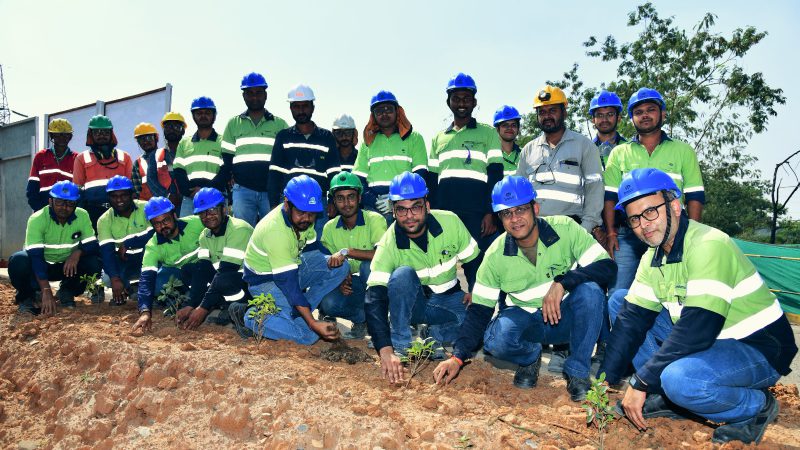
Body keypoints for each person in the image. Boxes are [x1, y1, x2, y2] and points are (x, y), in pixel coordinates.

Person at [600, 168, 797, 445]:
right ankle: (666, 397)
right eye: (634, 218)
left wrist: (640, 381)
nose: (643, 224)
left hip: (757, 347)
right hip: (713, 340)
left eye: (650, 212)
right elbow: (631, 322)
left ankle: (756, 405)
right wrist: (603, 383)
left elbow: (698, 327)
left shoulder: (709, 244)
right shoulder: (652, 258)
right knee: (621, 302)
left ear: (676, 206)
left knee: (680, 380)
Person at [433, 176, 614, 400]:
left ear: (535, 208)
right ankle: (530, 357)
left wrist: (563, 282)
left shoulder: (565, 229)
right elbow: (479, 311)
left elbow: (607, 267)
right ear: (500, 219)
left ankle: (577, 372)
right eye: (507, 213)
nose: (515, 219)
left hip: (564, 318)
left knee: (591, 293)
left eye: (521, 210)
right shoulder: (494, 255)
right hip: (526, 321)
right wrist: (458, 357)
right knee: (495, 341)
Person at [517, 85, 605, 373]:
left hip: (572, 230)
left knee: (570, 288)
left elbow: (595, 187)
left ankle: (567, 352)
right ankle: (543, 347)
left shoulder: (583, 146)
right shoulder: (529, 149)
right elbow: (519, 192)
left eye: (552, 110)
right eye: (542, 112)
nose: (547, 116)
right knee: (540, 285)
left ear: (564, 111)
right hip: (536, 232)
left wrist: (589, 226)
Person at [365, 172, 480, 384]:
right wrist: (385, 350)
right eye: (401, 209)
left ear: (427, 205)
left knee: (477, 328)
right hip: (415, 305)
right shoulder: (389, 241)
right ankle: (400, 344)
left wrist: (474, 289)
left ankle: (430, 334)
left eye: (415, 207)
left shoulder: (451, 222)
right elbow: (374, 296)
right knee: (402, 275)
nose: (409, 216)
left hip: (448, 299)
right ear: (393, 211)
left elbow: (473, 260)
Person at [602, 88, 705, 296]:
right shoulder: (618, 153)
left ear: (663, 114)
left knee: (673, 291)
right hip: (628, 234)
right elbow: (610, 198)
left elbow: (695, 196)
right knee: (618, 292)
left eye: (651, 109)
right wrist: (611, 233)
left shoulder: (683, 151)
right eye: (638, 112)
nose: (645, 115)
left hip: (673, 233)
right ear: (631, 118)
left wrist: (692, 234)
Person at [231, 175, 349, 344]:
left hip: (292, 268)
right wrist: (312, 323)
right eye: (301, 212)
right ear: (287, 203)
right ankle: (249, 317)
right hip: (266, 282)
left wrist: (335, 261)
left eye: (311, 214)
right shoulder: (276, 231)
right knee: (307, 335)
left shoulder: (303, 220)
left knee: (341, 266)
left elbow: (313, 249)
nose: (307, 219)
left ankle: (297, 311)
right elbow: (288, 283)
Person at [428, 73, 503, 257]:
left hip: (477, 214)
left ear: (474, 102)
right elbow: (431, 179)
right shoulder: (439, 138)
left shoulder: (489, 133)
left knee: (476, 265)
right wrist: (434, 213)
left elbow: (496, 175)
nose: (462, 103)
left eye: (466, 99)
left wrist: (490, 213)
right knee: (443, 261)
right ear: (449, 102)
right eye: (456, 98)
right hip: (445, 213)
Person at [8, 181, 100, 314]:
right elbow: (36, 257)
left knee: (93, 262)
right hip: (41, 266)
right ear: (50, 201)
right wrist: (46, 290)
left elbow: (92, 245)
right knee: (19, 260)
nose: (64, 207)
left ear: (76, 204)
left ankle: (66, 291)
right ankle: (27, 296)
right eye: (60, 202)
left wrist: (77, 253)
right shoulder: (37, 219)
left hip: (67, 267)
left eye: (70, 203)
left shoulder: (82, 215)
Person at [319, 171, 387, 339]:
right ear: (334, 201)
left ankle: (380, 324)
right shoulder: (329, 228)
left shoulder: (375, 220)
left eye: (351, 197)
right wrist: (339, 277)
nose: (346, 203)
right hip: (352, 284)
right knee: (328, 303)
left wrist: (348, 252)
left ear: (359, 198)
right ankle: (362, 320)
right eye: (340, 198)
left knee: (367, 267)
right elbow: (325, 264)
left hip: (376, 283)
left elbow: (382, 256)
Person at [174, 188, 254, 330]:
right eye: (202, 213)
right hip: (226, 280)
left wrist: (203, 308)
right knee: (188, 270)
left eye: (212, 210)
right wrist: (192, 304)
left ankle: (241, 308)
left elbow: (226, 271)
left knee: (224, 279)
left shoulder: (238, 229)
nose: (207, 216)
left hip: (251, 285)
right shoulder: (205, 235)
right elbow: (202, 270)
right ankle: (220, 305)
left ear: (224, 210)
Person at [268, 85, 339, 236]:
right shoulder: (283, 136)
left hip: (318, 203)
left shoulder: (326, 137)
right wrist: (274, 205)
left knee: (319, 244)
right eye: (296, 106)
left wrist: (332, 201)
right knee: (287, 241)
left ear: (312, 107)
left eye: (305, 106)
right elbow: (275, 174)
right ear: (291, 108)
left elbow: (334, 175)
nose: (301, 110)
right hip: (289, 203)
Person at [221, 72, 289, 227]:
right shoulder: (233, 124)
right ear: (244, 96)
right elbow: (226, 159)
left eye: (258, 92)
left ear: (265, 95)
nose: (254, 97)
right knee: (241, 233)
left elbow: (286, 160)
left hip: (271, 193)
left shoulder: (280, 124)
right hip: (243, 191)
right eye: (249, 93)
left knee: (272, 232)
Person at [131, 197, 206, 333]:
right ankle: (183, 300)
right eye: (157, 224)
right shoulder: (152, 246)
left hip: (204, 270)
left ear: (174, 215)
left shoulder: (196, 224)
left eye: (166, 220)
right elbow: (146, 278)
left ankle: (199, 302)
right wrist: (145, 312)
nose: (163, 226)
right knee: (157, 284)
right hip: (178, 276)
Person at [353, 91, 428, 222]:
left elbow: (420, 175)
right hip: (373, 208)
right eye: (379, 111)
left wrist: (395, 199)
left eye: (388, 109)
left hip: (405, 206)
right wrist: (374, 200)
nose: (384, 114)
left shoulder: (414, 138)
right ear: (373, 116)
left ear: (397, 112)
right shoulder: (367, 142)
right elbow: (359, 180)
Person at [96, 176, 154, 305]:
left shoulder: (147, 207)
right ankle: (128, 288)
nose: (119, 200)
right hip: (124, 261)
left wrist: (129, 243)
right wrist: (115, 279)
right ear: (108, 198)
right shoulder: (104, 220)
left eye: (123, 195)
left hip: (147, 257)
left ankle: (145, 288)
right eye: (114, 196)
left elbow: (156, 233)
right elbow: (107, 252)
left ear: (132, 195)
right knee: (107, 278)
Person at [72, 115, 134, 227]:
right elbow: (78, 190)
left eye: (105, 132)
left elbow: (131, 189)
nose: (101, 135)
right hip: (92, 213)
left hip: (120, 211)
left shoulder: (125, 157)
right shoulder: (81, 158)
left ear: (111, 134)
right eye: (97, 132)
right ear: (91, 135)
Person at [173, 96, 231, 217]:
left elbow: (226, 170)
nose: (203, 116)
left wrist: (205, 190)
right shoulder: (184, 143)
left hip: (216, 197)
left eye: (207, 113)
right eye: (199, 113)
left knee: (217, 234)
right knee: (188, 234)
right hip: (190, 200)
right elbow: (178, 172)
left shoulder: (224, 141)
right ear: (193, 116)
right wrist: (190, 193)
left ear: (214, 116)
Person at [27, 118, 78, 211]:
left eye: (65, 135)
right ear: (51, 136)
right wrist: (41, 211)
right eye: (58, 135)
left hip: (67, 213)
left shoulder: (77, 159)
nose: (62, 138)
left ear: (70, 137)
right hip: (43, 210)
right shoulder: (40, 156)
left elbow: (79, 191)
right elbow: (32, 190)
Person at [146, 112, 186, 210]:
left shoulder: (190, 153)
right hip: (164, 205)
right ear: (164, 131)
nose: (171, 130)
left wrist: (184, 196)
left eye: (176, 127)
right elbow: (151, 180)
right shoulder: (155, 155)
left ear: (183, 131)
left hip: (187, 202)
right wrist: (167, 196)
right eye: (168, 127)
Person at [588, 90, 627, 170]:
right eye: (600, 115)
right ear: (593, 120)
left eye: (610, 114)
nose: (604, 119)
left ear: (618, 118)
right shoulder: (586, 150)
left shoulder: (629, 148)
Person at [130, 122, 159, 200]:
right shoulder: (137, 163)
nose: (145, 142)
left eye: (149, 138)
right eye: (141, 140)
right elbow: (137, 192)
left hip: (168, 205)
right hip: (148, 207)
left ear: (156, 138)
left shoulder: (166, 156)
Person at [493, 105, 523, 176]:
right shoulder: (488, 155)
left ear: (518, 129)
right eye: (505, 125)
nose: (509, 128)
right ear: (497, 129)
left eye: (513, 125)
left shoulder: (524, 155)